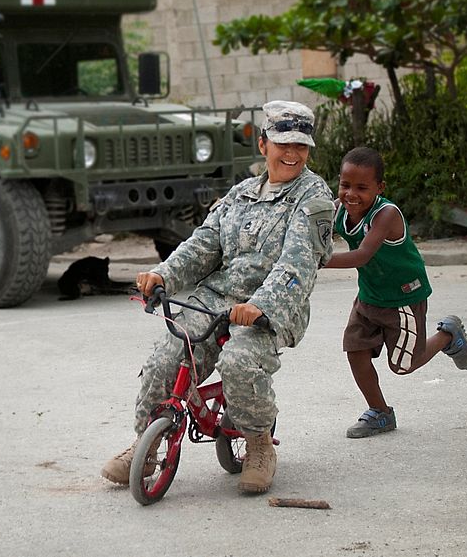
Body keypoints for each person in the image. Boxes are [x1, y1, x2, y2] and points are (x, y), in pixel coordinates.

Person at [101, 101, 335, 495]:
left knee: (239, 360)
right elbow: (203, 246)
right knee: (164, 359)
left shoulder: (314, 198)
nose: (292, 153)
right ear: (263, 145)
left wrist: (262, 306)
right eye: (283, 144)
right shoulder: (240, 194)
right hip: (216, 299)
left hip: (272, 309)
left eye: (301, 145)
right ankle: (146, 444)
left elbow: (297, 266)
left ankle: (259, 444)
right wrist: (163, 274)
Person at [323, 146, 467, 439]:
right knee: (355, 350)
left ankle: (448, 334)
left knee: (404, 365)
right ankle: (380, 412)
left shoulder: (387, 214)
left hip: (403, 297)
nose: (351, 194)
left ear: (380, 188)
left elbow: (362, 255)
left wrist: (316, 261)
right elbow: (313, 225)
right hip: (370, 295)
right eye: (345, 185)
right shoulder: (339, 209)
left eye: (361, 187)